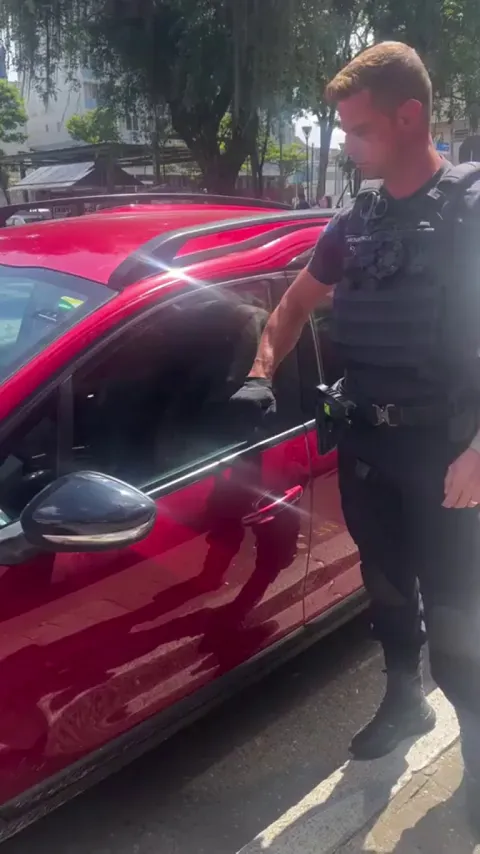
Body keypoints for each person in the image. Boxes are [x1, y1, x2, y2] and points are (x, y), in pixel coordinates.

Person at [230, 41, 480, 835]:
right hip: (370, 452)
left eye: (360, 130)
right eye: (343, 131)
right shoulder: (356, 223)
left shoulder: (471, 212)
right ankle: (404, 702)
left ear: (410, 118)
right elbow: (294, 305)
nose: (349, 146)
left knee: (459, 616)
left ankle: (477, 748)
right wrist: (259, 374)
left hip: (449, 457)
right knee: (386, 589)